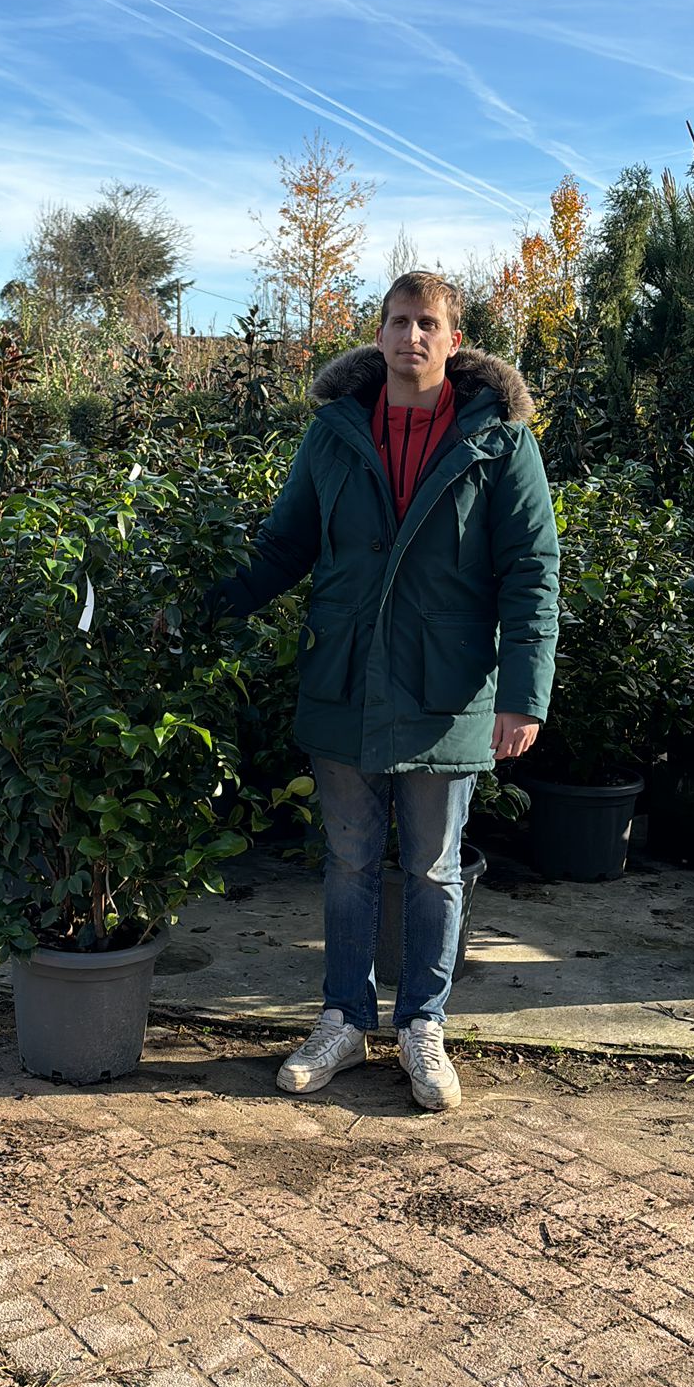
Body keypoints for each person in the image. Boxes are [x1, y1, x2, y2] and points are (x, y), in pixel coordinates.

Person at [216, 272, 559, 1111]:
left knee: (436, 868)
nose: (412, 336)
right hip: (346, 678)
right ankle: (342, 1019)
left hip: (448, 688)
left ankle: (423, 1025)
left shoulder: (499, 440)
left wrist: (525, 694)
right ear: (378, 334)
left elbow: (531, 569)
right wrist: (199, 606)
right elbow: (284, 546)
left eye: (428, 323)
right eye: (399, 321)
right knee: (348, 863)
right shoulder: (334, 432)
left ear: (453, 339)